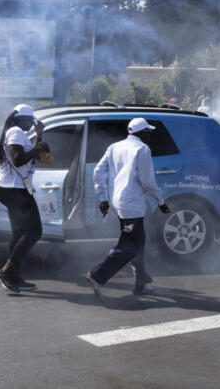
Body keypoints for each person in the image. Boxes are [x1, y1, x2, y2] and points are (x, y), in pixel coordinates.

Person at [86, 118, 171, 304]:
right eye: (147, 132)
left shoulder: (114, 147)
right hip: (132, 204)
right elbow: (147, 181)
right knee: (130, 245)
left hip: (119, 201)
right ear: (141, 133)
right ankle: (97, 275)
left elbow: (97, 172)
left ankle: (141, 282)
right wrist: (160, 199)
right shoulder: (142, 149)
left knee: (139, 241)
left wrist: (103, 198)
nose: (149, 134)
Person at [0, 104, 50, 293]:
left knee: (19, 232)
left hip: (12, 187)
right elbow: (18, 159)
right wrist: (38, 147)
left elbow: (26, 155)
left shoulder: (14, 131)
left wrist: (39, 137)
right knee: (34, 231)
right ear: (22, 119)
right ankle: (6, 271)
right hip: (13, 189)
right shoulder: (16, 131)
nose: (31, 125)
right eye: (30, 121)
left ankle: (13, 275)